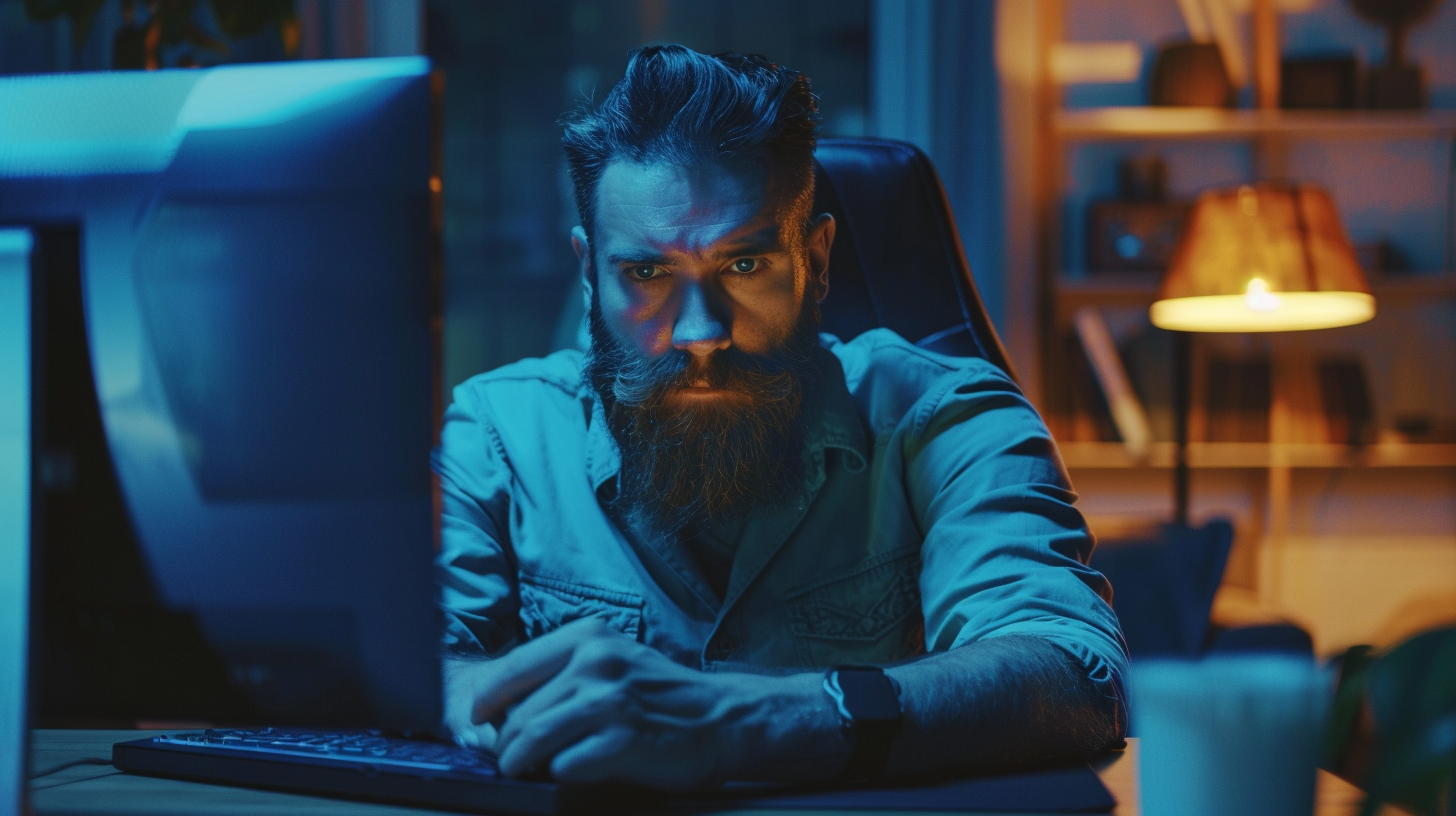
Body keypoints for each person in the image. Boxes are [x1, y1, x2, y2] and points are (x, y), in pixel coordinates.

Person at [434, 44, 1127, 791]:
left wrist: (733, 721)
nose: (700, 331)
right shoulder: (500, 431)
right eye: (646, 273)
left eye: (743, 265)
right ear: (588, 271)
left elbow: (1073, 677)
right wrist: (460, 689)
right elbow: (422, 661)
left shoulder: (948, 420)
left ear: (816, 260)